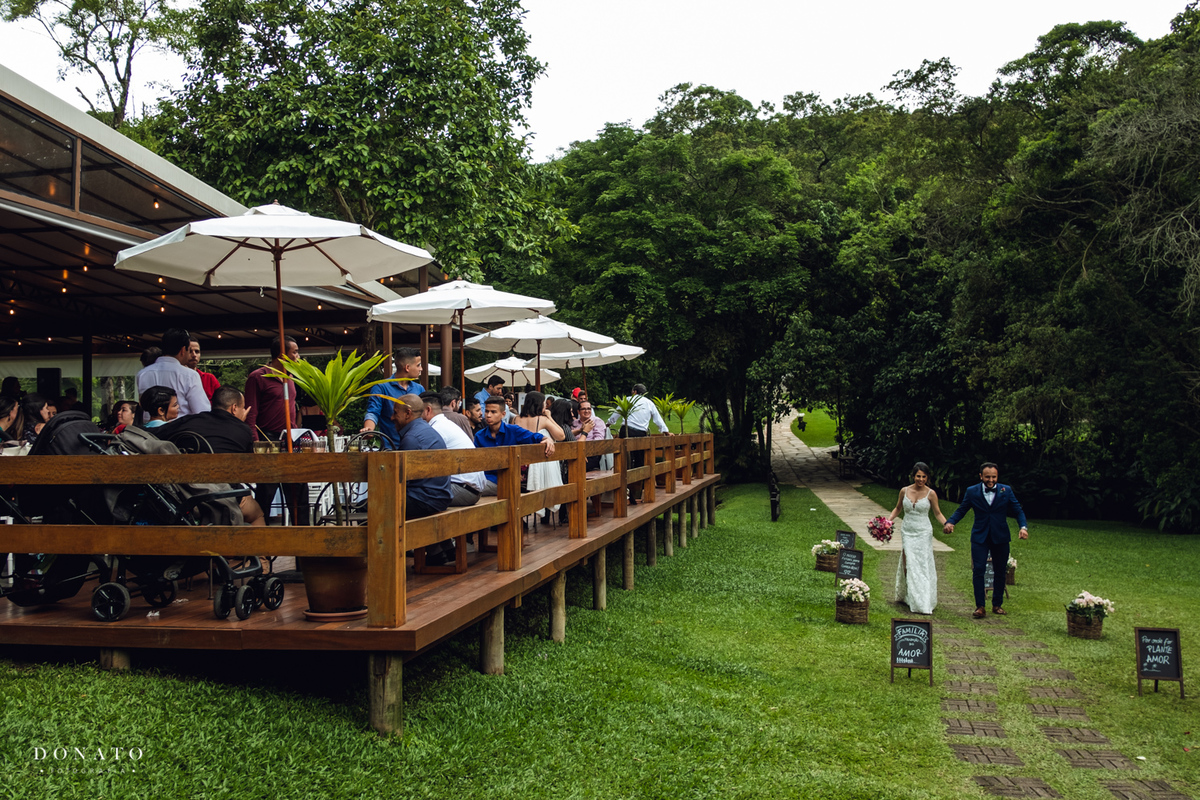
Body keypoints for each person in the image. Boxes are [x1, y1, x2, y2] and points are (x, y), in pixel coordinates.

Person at [155, 386, 266, 526]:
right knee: (257, 515)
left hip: (187, 494)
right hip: (225, 495)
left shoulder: (189, 421)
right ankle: (258, 547)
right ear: (234, 408)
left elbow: (153, 433)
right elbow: (248, 471)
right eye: (243, 408)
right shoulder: (243, 430)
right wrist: (240, 424)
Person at [944, 461, 1029, 619]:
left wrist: (1023, 527)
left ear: (998, 476)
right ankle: (980, 606)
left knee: (1000, 571)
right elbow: (962, 510)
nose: (991, 480)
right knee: (978, 570)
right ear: (981, 476)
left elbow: (1018, 510)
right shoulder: (972, 491)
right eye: (987, 477)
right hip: (980, 536)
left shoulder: (1006, 490)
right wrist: (950, 522)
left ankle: (997, 604)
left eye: (994, 477)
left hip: (1001, 537)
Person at [390, 395, 455, 565]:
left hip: (428, 499)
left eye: (395, 413)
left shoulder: (411, 438)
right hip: (441, 495)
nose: (391, 417)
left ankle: (386, 560)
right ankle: (441, 550)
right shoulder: (426, 430)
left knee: (379, 504)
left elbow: (403, 481)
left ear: (407, 413)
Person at [885, 462, 948, 615]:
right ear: (913, 476)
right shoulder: (904, 491)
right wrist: (888, 520)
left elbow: (937, 513)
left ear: (927, 477)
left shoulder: (931, 493)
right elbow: (898, 508)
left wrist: (947, 524)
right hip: (907, 530)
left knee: (921, 564)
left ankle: (922, 599)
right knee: (909, 563)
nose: (921, 479)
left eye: (924, 477)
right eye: (918, 476)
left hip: (923, 531)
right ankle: (908, 595)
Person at [473, 396, 556, 495]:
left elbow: (533, 436)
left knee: (472, 489)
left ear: (503, 414)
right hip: (486, 480)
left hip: (507, 481)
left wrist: (546, 438)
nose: (488, 415)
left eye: (493, 412)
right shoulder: (479, 435)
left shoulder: (513, 430)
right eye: (486, 411)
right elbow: (475, 461)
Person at [419, 392, 487, 508]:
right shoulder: (445, 424)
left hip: (463, 490)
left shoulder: (436, 429)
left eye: (418, 411)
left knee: (410, 496)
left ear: (427, 410)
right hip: (470, 489)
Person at [606, 383, 671, 502]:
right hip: (641, 433)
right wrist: (666, 432)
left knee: (623, 458)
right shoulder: (649, 403)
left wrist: (608, 424)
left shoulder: (628, 400)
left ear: (634, 391)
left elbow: (616, 414)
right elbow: (658, 419)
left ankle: (622, 486)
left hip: (626, 431)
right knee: (640, 460)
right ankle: (638, 488)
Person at [135, 328, 210, 418]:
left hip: (149, 430)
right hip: (180, 429)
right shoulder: (190, 375)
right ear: (183, 350)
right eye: (189, 350)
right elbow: (202, 411)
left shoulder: (143, 374)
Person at [361, 347, 425, 448]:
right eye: (418, 365)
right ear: (407, 367)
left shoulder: (420, 389)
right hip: (390, 448)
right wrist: (368, 429)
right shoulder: (381, 388)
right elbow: (373, 412)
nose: (421, 369)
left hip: (416, 447)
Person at [244, 335, 299, 443]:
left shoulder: (290, 377)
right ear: (282, 355)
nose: (298, 356)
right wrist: (255, 441)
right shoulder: (258, 377)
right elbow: (250, 413)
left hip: (290, 436)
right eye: (295, 352)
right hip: (267, 437)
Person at [577, 398, 608, 470]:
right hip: (574, 452)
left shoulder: (597, 421)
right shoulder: (574, 423)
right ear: (578, 411)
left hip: (591, 453)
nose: (587, 411)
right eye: (583, 409)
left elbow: (598, 439)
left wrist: (584, 451)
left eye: (589, 409)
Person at [187, 336, 221, 401]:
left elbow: (222, 402)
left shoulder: (210, 378)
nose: (194, 355)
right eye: (190, 351)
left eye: (197, 352)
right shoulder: (176, 377)